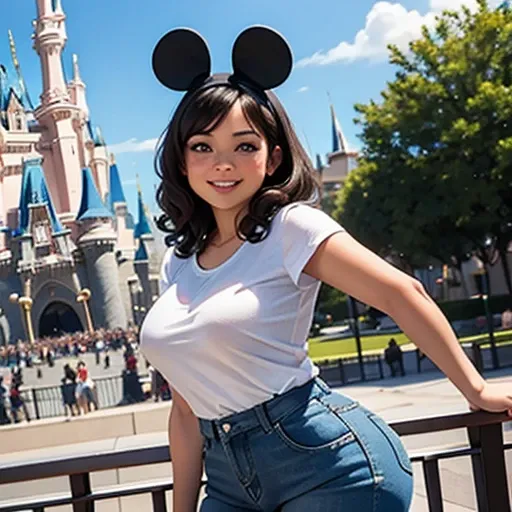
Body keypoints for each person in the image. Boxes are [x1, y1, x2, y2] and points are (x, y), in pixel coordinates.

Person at [140, 26, 512, 512]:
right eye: (203, 146)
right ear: (182, 158)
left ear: (273, 158)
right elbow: (186, 408)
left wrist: (476, 387)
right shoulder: (179, 261)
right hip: (228, 480)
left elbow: (402, 294)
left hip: (325, 464)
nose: (223, 163)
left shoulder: (291, 228)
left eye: (245, 146)